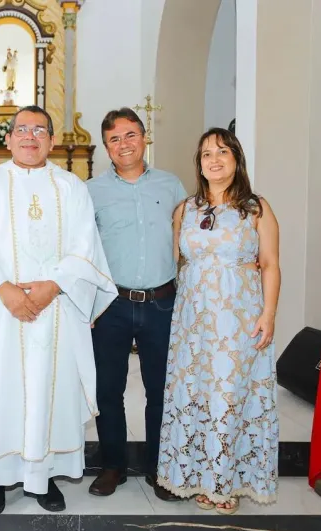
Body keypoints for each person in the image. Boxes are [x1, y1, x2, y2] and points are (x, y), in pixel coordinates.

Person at [0, 105, 118, 514]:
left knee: (48, 390)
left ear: (51, 141)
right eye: (22, 129)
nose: (30, 137)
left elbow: (85, 246)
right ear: (8, 139)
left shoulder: (71, 187)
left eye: (39, 130)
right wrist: (5, 290)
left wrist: (52, 287)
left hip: (54, 310)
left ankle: (42, 477)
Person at [156, 127, 280, 514]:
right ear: (199, 164)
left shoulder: (256, 208)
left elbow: (271, 264)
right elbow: (175, 262)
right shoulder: (185, 209)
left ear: (236, 159)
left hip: (237, 318)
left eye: (223, 151)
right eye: (207, 153)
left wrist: (269, 314)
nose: (214, 159)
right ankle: (198, 476)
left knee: (229, 395)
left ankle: (224, 484)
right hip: (193, 319)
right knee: (196, 394)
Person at [85, 107, 187, 501]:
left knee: (160, 389)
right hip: (111, 303)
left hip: (162, 302)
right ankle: (113, 465)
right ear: (106, 147)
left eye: (130, 135)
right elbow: (83, 251)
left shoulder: (171, 186)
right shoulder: (91, 191)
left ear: (144, 138)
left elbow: (187, 241)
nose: (123, 144)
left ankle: (159, 467)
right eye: (114, 139)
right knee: (108, 389)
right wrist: (88, 305)